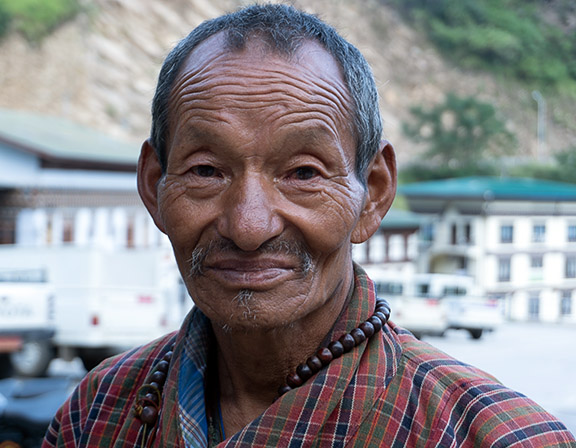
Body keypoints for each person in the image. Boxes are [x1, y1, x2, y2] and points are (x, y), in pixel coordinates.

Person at [44, 4, 576, 447]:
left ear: (373, 193)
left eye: (303, 173)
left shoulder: (496, 437)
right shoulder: (97, 413)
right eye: (206, 171)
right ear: (154, 186)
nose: (249, 226)